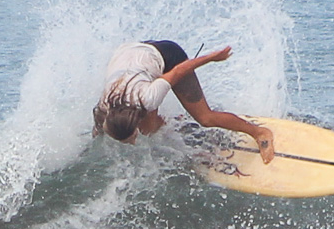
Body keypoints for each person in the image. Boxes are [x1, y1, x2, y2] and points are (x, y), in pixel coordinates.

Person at [93, 40, 277, 163]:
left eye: (130, 138)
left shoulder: (147, 97)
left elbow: (178, 71)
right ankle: (177, 127)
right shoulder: (105, 106)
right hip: (133, 54)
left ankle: (259, 133)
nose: (132, 143)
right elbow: (99, 126)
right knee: (150, 127)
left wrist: (213, 58)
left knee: (205, 118)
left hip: (168, 55)